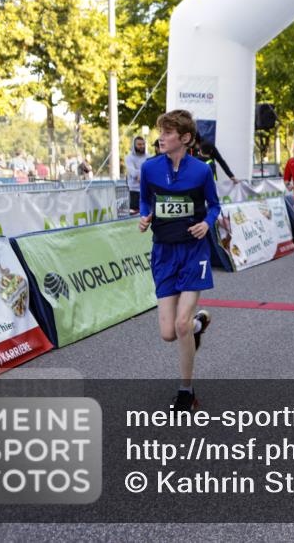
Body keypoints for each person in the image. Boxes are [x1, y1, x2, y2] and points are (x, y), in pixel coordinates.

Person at [138, 109, 218, 412]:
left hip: (193, 251)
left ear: (185, 138)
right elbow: (146, 199)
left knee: (180, 324)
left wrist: (207, 223)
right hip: (163, 252)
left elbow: (215, 205)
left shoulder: (201, 171)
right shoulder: (149, 169)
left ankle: (187, 393)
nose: (162, 137)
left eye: (169, 133)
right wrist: (145, 216)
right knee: (169, 333)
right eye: (161, 131)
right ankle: (198, 325)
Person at [126, 136, 149, 214]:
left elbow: (152, 171)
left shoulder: (149, 157)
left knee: (147, 214)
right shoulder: (129, 158)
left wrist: (141, 175)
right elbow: (133, 173)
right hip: (134, 191)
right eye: (139, 144)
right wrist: (145, 173)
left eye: (143, 144)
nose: (142, 146)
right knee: (134, 214)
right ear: (134, 145)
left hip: (147, 190)